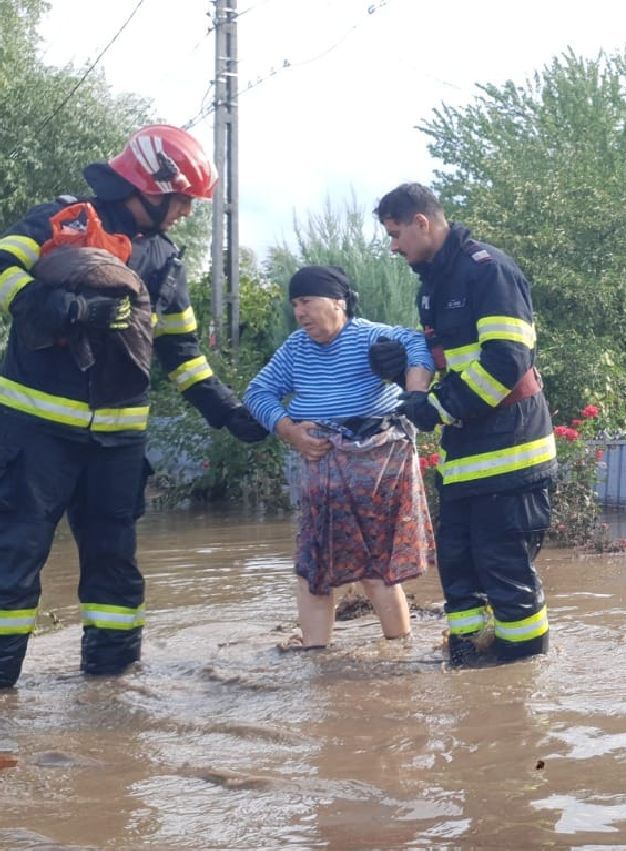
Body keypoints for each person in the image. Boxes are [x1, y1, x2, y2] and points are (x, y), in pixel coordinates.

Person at [0, 124, 269, 688]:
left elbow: (181, 352)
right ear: (149, 186)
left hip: (118, 445)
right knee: (13, 562)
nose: (186, 213)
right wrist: (66, 309)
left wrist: (229, 412)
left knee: (116, 572)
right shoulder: (63, 220)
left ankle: (111, 698)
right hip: (35, 434)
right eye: (183, 200)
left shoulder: (166, 258)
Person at [371, 184, 556, 666]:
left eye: (396, 235)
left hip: (513, 456)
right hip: (466, 461)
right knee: (459, 574)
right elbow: (454, 364)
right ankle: (469, 676)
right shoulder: (433, 286)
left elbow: (506, 361)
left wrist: (437, 408)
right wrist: (403, 375)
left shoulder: (487, 271)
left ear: (422, 223)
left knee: (506, 575)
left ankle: (519, 683)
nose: (394, 247)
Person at [244, 265, 436, 649]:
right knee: (313, 568)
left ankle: (399, 652)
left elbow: (418, 344)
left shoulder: (370, 336)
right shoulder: (296, 348)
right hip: (321, 464)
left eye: (307, 302)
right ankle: (317, 660)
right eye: (295, 304)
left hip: (377, 466)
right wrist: (290, 431)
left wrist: (413, 394)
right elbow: (257, 392)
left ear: (338, 302)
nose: (300, 313)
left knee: (377, 570)